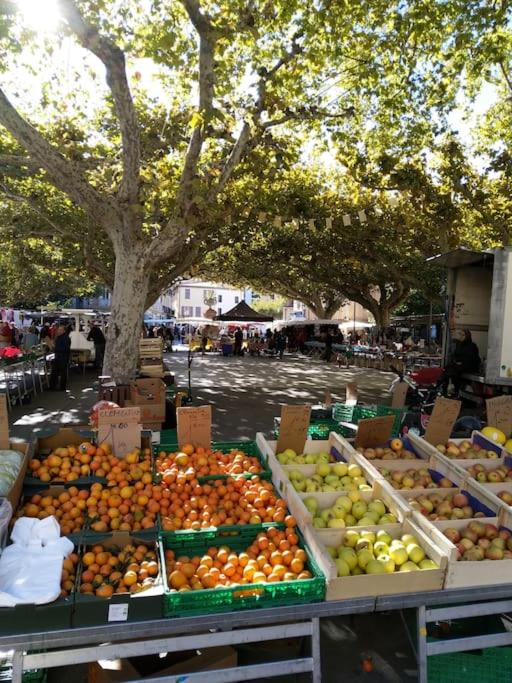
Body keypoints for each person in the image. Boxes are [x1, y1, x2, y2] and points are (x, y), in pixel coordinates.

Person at [438, 329, 481, 396]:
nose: (460, 336)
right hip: (459, 364)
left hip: (469, 365)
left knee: (452, 371)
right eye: (460, 334)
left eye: (462, 335)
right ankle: (443, 389)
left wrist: (461, 362)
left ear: (467, 336)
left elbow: (472, 358)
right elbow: (455, 355)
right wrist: (456, 361)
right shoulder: (459, 345)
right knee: (447, 368)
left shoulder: (472, 346)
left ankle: (455, 390)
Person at [50, 325, 71, 390]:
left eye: (60, 330)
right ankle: (53, 386)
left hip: (63, 358)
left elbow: (65, 349)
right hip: (58, 357)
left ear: (64, 331)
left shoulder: (66, 338)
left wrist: (55, 348)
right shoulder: (59, 337)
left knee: (63, 373)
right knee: (54, 372)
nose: (58, 331)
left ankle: (62, 387)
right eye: (58, 329)